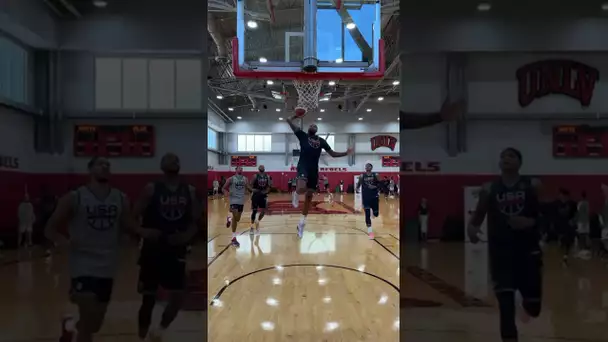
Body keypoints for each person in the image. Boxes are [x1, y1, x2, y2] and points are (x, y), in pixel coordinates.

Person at [45, 156, 141, 342]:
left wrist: (142, 233)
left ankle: (70, 326)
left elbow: (130, 226)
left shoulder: (120, 198)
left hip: (108, 265)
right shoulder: (75, 197)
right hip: (82, 264)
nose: (105, 167)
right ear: (90, 170)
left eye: (107, 165)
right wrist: (64, 242)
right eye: (100, 164)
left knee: (94, 324)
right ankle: (75, 325)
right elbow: (50, 228)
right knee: (88, 308)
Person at [467, 148, 543, 342]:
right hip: (501, 253)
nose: (505, 159)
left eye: (511, 156)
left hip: (528, 252)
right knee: (506, 309)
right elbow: (477, 216)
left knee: (534, 308)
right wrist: (473, 228)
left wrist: (530, 222)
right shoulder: (489, 189)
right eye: (502, 156)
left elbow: (546, 214)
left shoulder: (532, 185)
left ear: (520, 162)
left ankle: (524, 299)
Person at [132, 153, 200, 341]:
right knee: (148, 300)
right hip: (153, 250)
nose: (173, 161)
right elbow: (132, 216)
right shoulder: (151, 189)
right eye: (169, 159)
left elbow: (195, 222)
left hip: (176, 249)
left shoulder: (190, 191)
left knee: (178, 298)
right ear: (162, 166)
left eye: (176, 159)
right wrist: (142, 231)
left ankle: (160, 329)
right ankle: (142, 337)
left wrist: (187, 235)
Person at [286, 115, 352, 238]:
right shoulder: (302, 135)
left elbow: (332, 154)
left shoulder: (322, 141)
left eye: (315, 125)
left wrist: (346, 153)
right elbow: (288, 121)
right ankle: (295, 193)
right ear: (308, 129)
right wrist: (295, 115)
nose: (313, 125)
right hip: (303, 165)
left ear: (317, 130)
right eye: (311, 125)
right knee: (300, 188)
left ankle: (301, 224)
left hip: (314, 170)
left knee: (309, 196)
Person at [222, 166, 251, 247]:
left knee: (237, 219)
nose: (241, 169)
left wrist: (251, 190)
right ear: (236, 170)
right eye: (239, 168)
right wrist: (226, 192)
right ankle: (234, 238)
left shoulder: (245, 179)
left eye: (242, 168)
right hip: (233, 200)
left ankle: (229, 219)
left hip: (241, 201)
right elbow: (223, 188)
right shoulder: (231, 179)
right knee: (235, 215)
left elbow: (248, 188)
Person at [355, 163, 380, 239]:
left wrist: (375, 186)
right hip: (366, 197)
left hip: (374, 197)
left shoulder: (376, 175)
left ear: (371, 168)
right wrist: (357, 188)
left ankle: (375, 212)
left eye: (369, 166)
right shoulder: (362, 176)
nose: (367, 167)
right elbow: (359, 184)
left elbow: (380, 184)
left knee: (376, 214)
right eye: (366, 166)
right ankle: (370, 231)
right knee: (367, 214)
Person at [554, 189, 577, 265]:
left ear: (565, 195)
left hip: (569, 226)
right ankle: (562, 256)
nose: (559, 196)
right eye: (559, 195)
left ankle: (565, 257)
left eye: (561, 194)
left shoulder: (572, 204)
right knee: (561, 243)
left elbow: (576, 214)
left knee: (568, 242)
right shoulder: (557, 203)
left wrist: (573, 221)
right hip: (560, 225)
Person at [250, 164, 271, 235]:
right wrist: (253, 190)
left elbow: (269, 186)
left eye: (263, 166)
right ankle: (252, 226)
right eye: (260, 166)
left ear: (264, 169)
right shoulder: (255, 176)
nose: (262, 167)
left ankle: (257, 221)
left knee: (263, 211)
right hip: (256, 195)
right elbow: (250, 185)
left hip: (263, 195)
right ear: (259, 169)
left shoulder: (267, 176)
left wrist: (267, 191)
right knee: (254, 211)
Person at [576, 191, 591, 259]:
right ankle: (583, 249)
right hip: (582, 221)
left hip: (583, 221)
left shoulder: (584, 203)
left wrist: (585, 222)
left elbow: (586, 213)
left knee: (583, 235)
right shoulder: (583, 203)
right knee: (583, 234)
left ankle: (584, 249)